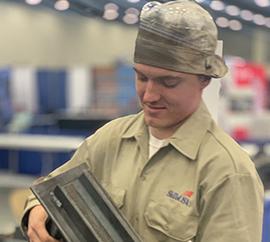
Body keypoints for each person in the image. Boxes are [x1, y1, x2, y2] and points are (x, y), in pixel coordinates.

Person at [21, 1, 264, 242]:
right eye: (142, 77)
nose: (149, 96)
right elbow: (52, 188)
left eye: (168, 82)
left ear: (204, 79)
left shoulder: (228, 172)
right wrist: (38, 209)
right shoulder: (111, 138)